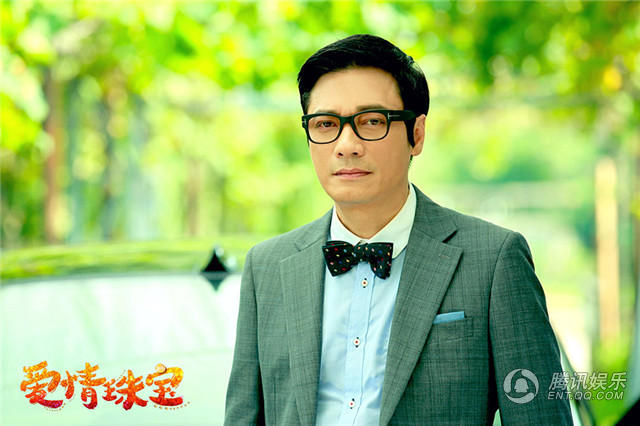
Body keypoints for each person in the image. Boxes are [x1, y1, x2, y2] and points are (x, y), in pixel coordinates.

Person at [224, 34, 572, 425]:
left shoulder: (493, 260)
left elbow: (541, 417)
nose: (346, 145)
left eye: (372, 121)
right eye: (325, 124)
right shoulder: (267, 267)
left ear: (416, 134)